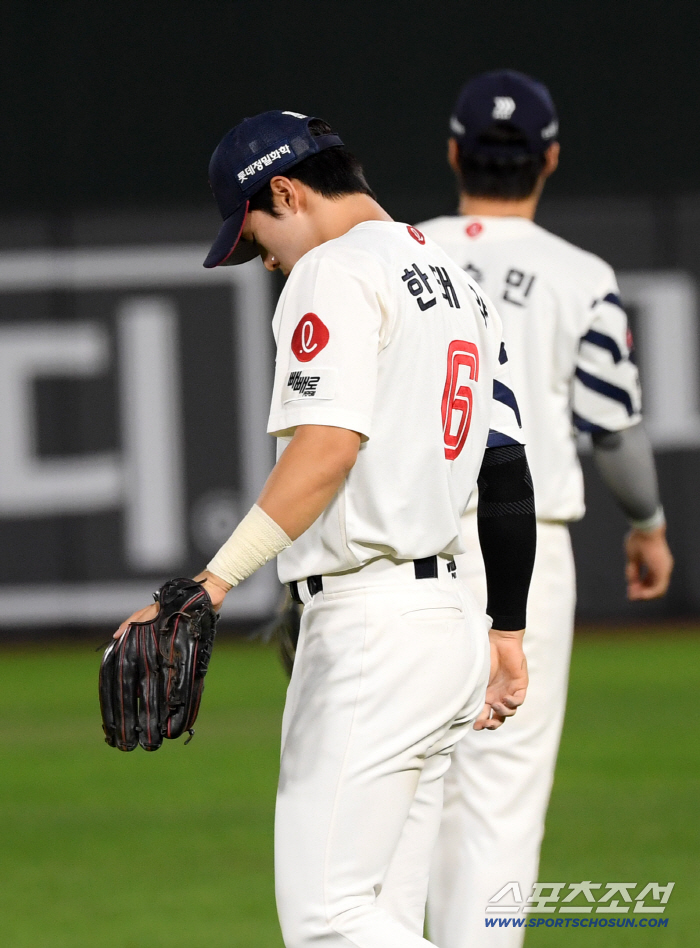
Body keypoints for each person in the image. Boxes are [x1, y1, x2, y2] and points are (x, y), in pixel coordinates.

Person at [117, 109, 537, 947]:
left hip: (375, 631)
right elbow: (504, 467)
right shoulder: (450, 276)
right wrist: (507, 631)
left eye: (256, 232)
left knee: (327, 920)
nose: (264, 258)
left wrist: (213, 581)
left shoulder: (335, 270)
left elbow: (326, 450)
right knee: (381, 916)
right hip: (449, 621)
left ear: (286, 189)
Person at [418, 71, 674, 948]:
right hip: (525, 554)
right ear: (551, 158)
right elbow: (612, 428)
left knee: (401, 781)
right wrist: (647, 526)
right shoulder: (579, 275)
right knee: (498, 792)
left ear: (454, 152)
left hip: (405, 544)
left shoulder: (401, 253)